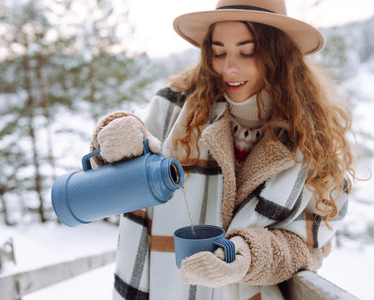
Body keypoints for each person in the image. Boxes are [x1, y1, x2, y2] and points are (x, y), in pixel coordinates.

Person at [89, 0, 355, 299]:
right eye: (219, 52)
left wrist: (245, 256)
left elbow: (311, 244)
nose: (229, 68)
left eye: (247, 52)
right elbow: (110, 180)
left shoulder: (313, 140)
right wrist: (116, 140)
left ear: (279, 54)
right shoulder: (173, 109)